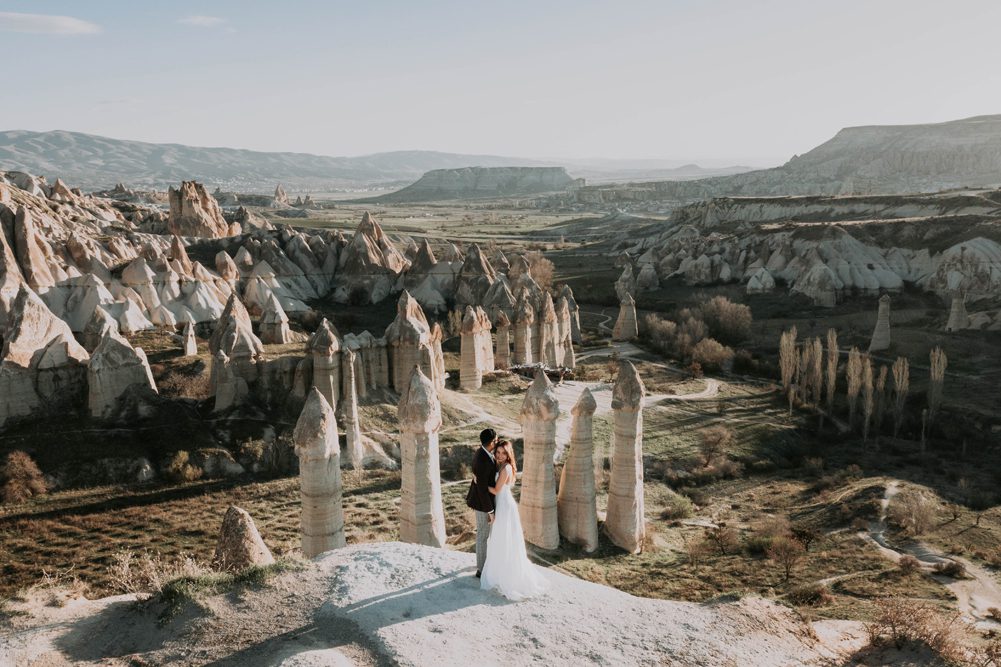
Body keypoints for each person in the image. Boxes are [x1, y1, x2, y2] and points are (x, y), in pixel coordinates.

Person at [479, 440, 550, 601]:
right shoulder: (502, 466)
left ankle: (507, 578)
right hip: (502, 504)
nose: (499, 455)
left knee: (504, 540)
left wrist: (480, 484)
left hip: (505, 506)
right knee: (501, 540)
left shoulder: (506, 468)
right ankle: (500, 574)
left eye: (503, 453)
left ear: (508, 454)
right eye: (498, 452)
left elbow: (496, 490)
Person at [465, 428, 497, 578]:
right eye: (496, 440)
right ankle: (481, 570)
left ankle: (483, 564)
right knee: (482, 536)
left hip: (482, 501)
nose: (497, 442)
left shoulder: (483, 453)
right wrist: (490, 511)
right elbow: (483, 490)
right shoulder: (483, 459)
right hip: (482, 503)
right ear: (492, 442)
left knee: (483, 535)